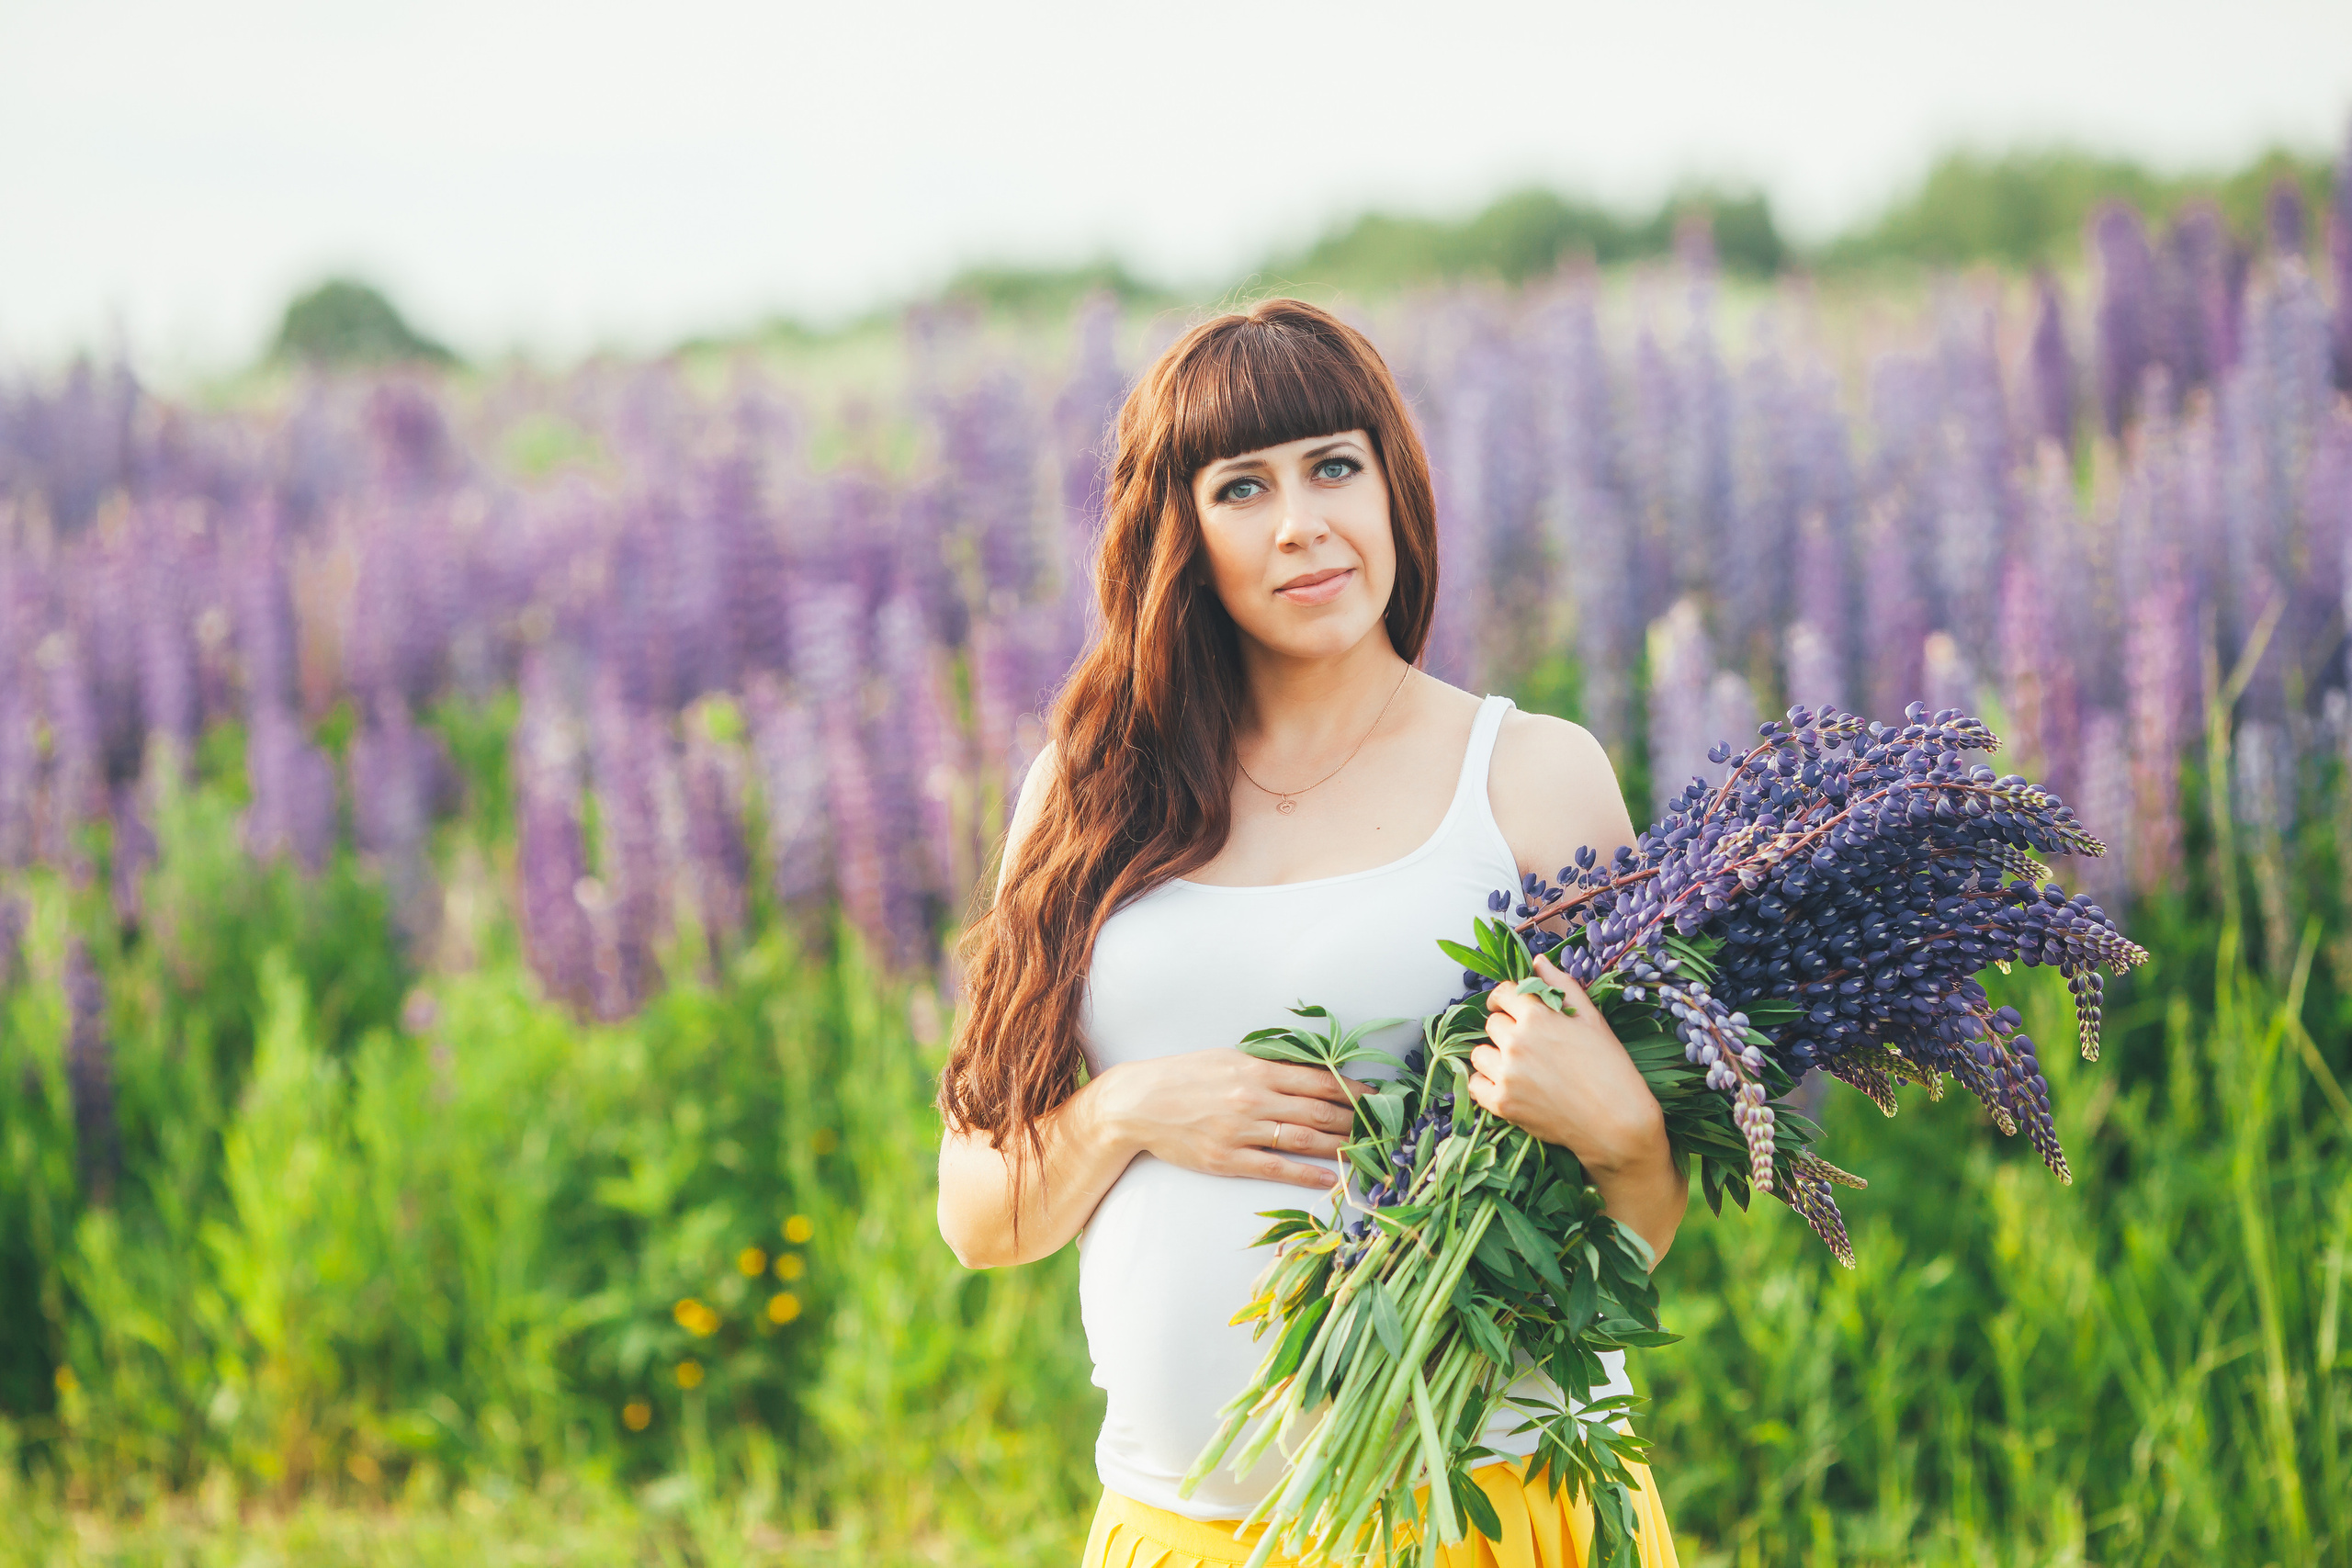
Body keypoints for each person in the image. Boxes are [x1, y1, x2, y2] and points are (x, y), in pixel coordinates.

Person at [935, 298, 1684, 1568]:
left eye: (1335, 466)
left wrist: (1622, 1126)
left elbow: (1640, 1225)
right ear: (1179, 533)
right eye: (1242, 488)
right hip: (1187, 1532)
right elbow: (976, 1212)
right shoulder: (1088, 796)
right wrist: (1129, 1110)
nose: (1304, 524)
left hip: (1490, 1520)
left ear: (1394, 486)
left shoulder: (1532, 779)